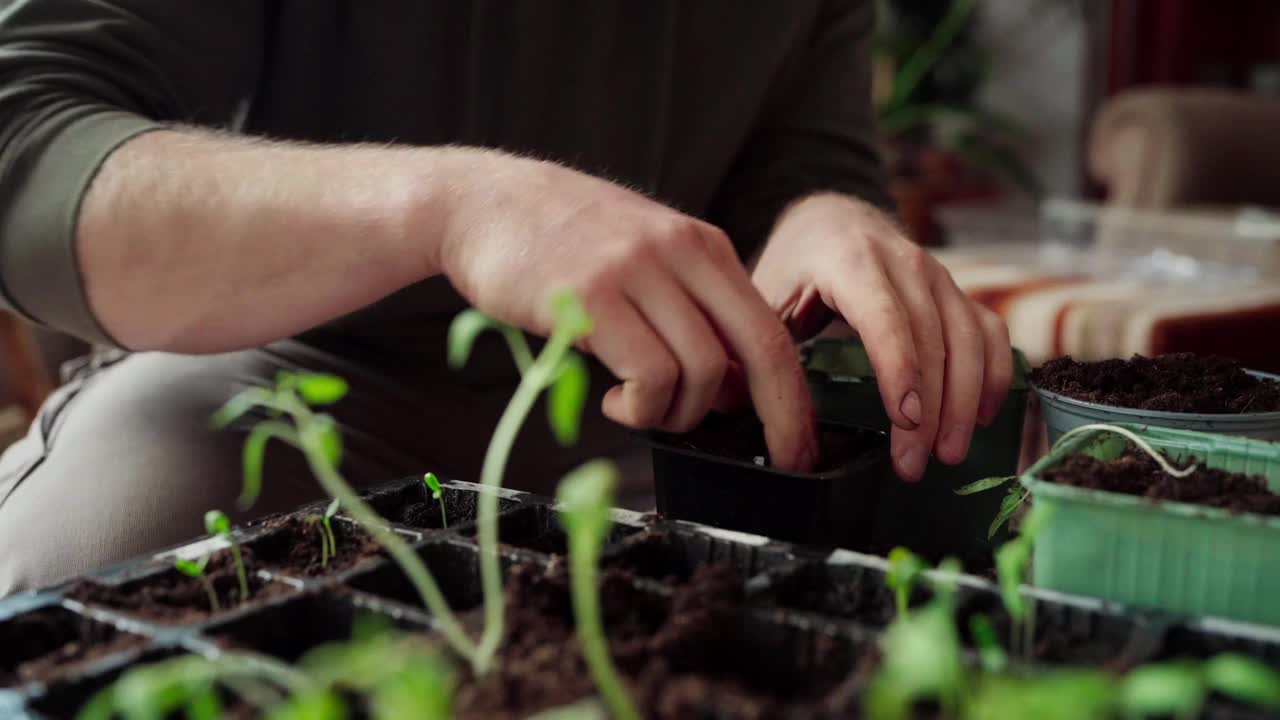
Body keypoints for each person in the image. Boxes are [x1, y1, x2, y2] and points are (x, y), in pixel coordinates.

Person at [0, 0, 1011, 596]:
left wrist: (828, 219)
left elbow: (798, 163)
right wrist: (446, 209)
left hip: (660, 410)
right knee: (80, 568)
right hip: (283, 371)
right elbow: (25, 143)